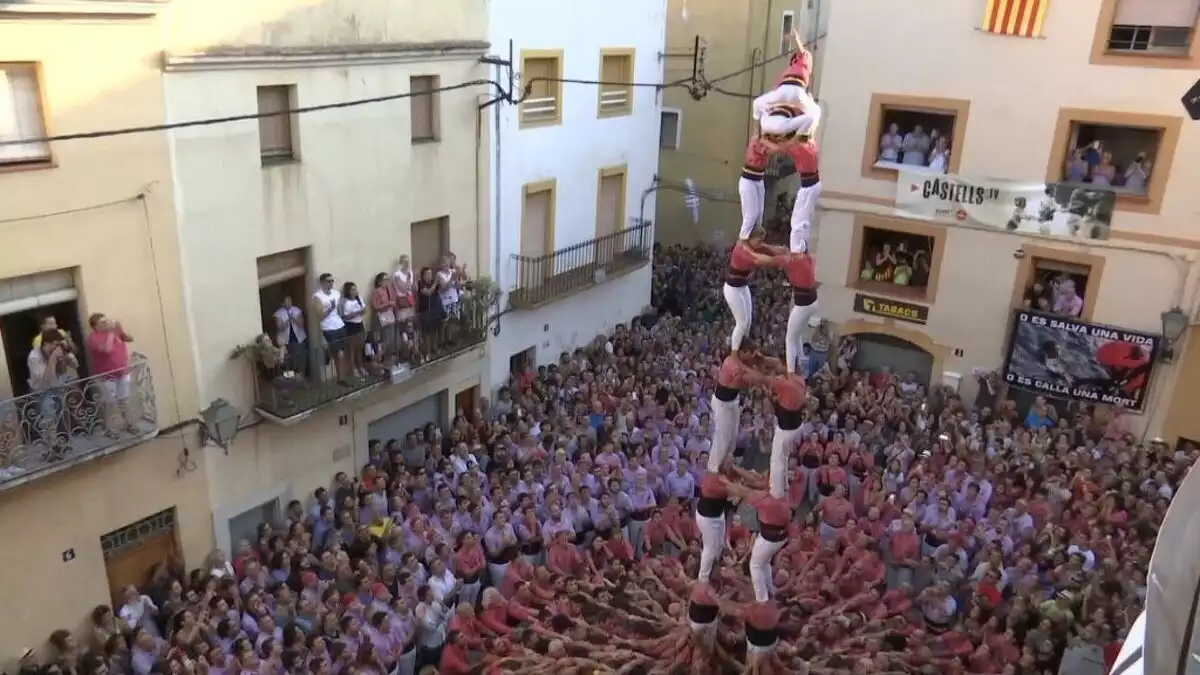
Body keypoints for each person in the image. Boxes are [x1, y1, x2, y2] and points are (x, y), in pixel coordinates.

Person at [723, 231, 782, 351]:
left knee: (748, 321)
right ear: (749, 238)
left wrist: (787, 253)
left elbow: (770, 249)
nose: (761, 243)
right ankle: (734, 352)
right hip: (732, 289)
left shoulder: (754, 245)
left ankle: (743, 348)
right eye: (759, 240)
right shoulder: (741, 249)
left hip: (743, 287)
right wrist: (780, 261)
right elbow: (757, 260)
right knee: (742, 322)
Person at [752, 28, 815, 124]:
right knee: (758, 103)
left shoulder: (804, 60)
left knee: (758, 103)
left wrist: (796, 40)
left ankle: (764, 126)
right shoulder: (790, 70)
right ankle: (763, 127)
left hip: (794, 89)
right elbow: (777, 86)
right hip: (790, 90)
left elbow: (802, 53)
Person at [773, 249, 818, 375]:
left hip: (803, 306)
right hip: (812, 303)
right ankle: (795, 365)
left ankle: (790, 372)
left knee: (790, 339)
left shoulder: (798, 264)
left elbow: (778, 261)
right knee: (797, 334)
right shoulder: (809, 261)